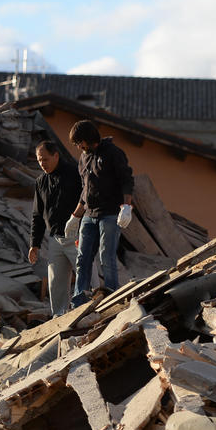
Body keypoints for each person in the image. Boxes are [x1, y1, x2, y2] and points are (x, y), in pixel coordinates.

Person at [67, 120, 134, 307]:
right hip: (89, 215)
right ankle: (79, 300)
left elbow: (127, 180)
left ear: (88, 138)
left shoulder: (113, 153)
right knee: (83, 257)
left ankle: (112, 298)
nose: (78, 146)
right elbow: (84, 190)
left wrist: (126, 207)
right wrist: (75, 217)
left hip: (110, 214)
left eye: (79, 142)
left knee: (107, 257)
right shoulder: (83, 158)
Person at [28, 140, 82, 316]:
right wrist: (34, 245)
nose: (42, 164)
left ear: (56, 155)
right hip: (55, 238)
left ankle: (93, 312)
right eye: (39, 160)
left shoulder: (74, 173)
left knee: (86, 278)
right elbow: (37, 215)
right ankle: (59, 318)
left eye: (45, 159)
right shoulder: (41, 182)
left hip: (77, 235)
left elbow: (86, 199)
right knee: (55, 284)